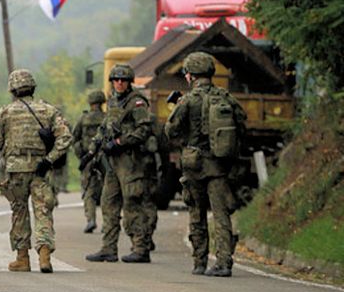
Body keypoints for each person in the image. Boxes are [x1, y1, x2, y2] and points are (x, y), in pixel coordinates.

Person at [165, 52, 247, 277]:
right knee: (221, 215)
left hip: (193, 165)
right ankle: (223, 262)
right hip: (218, 166)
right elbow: (241, 126)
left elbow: (170, 131)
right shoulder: (226, 98)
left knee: (196, 212)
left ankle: (200, 261)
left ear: (190, 76)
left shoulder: (188, 100)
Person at [0, 69, 72, 273]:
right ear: (33, 87)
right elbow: (65, 138)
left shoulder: (4, 112)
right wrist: (49, 160)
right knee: (43, 210)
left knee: (19, 211)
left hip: (16, 170)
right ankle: (44, 257)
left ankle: (22, 258)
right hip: (41, 169)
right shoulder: (49, 111)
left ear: (12, 90)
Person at [86, 64, 155, 264]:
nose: (119, 83)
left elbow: (144, 130)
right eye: (115, 79)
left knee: (132, 203)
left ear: (129, 82)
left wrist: (119, 143)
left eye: (123, 80)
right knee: (108, 203)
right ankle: (108, 248)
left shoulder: (137, 103)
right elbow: (104, 128)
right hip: (113, 163)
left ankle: (141, 248)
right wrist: (93, 149)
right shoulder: (114, 102)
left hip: (130, 161)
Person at [73, 90, 106, 233]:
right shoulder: (106, 118)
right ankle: (108, 223)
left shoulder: (83, 118)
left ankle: (91, 220)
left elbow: (74, 138)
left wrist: (81, 155)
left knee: (89, 191)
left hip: (88, 158)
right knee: (108, 191)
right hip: (105, 158)